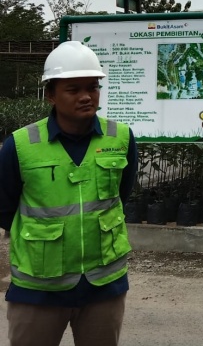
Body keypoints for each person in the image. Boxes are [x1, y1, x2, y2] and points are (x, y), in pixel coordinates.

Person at [0, 41, 138, 346]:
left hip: (104, 286)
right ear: (50, 94)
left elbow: (121, 194)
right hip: (38, 288)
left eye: (92, 87)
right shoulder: (20, 146)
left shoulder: (121, 138)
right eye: (73, 89)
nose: (86, 96)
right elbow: (5, 207)